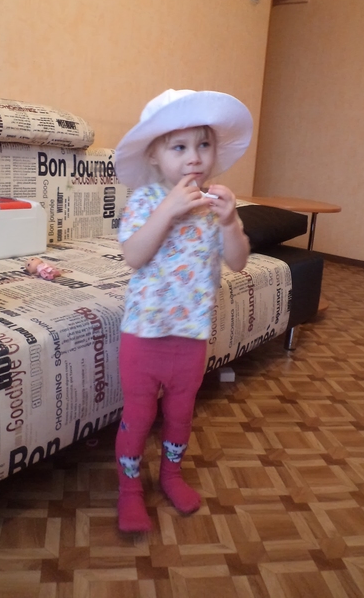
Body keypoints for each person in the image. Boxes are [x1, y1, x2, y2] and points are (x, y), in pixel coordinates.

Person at [113, 88, 253, 532]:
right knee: (138, 417)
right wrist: (168, 211)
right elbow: (134, 255)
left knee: (180, 414)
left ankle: (171, 475)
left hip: (190, 338)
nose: (194, 157)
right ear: (154, 155)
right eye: (179, 147)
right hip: (144, 335)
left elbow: (238, 262)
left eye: (203, 144)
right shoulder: (144, 200)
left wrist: (231, 221)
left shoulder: (214, 208)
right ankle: (129, 490)